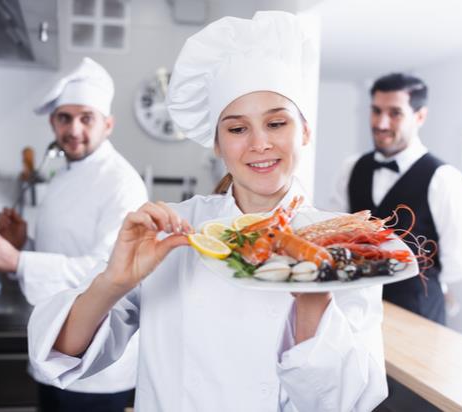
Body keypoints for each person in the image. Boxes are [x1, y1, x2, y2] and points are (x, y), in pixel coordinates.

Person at [27, 11, 388, 412]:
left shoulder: (347, 245)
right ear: (217, 143)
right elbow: (62, 354)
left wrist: (312, 299)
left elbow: (349, 402)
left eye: (276, 123)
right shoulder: (173, 232)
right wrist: (113, 282)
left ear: (304, 131)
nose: (259, 143)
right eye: (237, 129)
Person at [0, 57, 148, 411]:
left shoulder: (121, 183)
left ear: (108, 124)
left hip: (96, 363)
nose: (74, 129)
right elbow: (65, 249)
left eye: (86, 118)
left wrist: (20, 262)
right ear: (53, 122)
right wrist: (25, 244)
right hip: (53, 346)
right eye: (64, 118)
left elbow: (107, 271)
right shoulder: (63, 173)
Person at [328, 73, 462, 325]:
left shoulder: (445, 179)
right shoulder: (351, 168)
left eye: (395, 113)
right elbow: (335, 234)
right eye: (376, 111)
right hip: (355, 312)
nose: (382, 123)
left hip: (418, 314)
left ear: (420, 116)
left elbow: (461, 263)